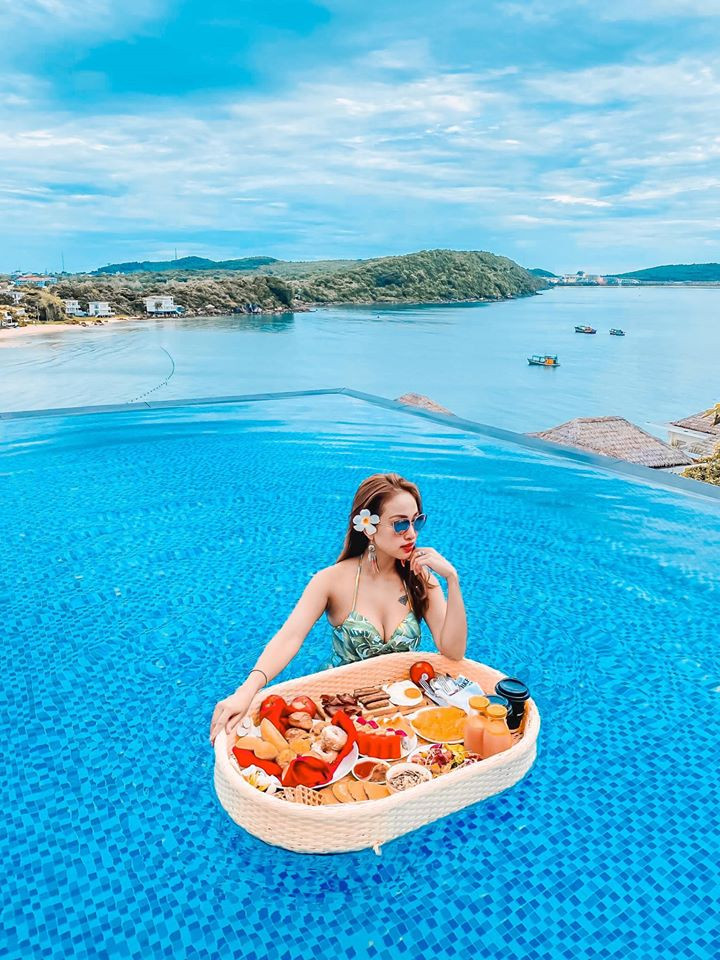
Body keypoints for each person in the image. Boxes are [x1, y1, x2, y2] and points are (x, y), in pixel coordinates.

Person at [209, 472, 467, 744]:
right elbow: (289, 637)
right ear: (368, 527)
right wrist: (247, 690)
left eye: (417, 521)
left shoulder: (420, 579)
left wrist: (452, 580)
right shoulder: (331, 581)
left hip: (401, 716)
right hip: (340, 713)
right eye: (400, 524)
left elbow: (453, 651)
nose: (411, 534)